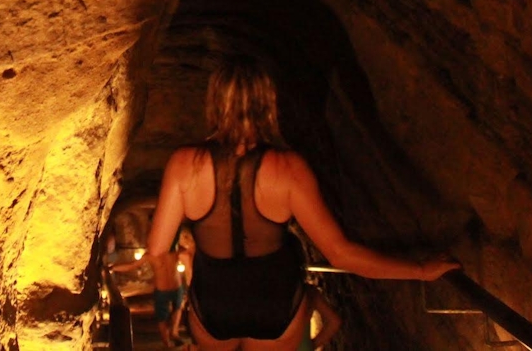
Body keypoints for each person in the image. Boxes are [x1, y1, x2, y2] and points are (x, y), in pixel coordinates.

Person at [146, 60, 459, 350]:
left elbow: (159, 251)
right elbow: (340, 253)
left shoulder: (184, 164)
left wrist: (165, 307)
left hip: (212, 305)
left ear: (214, 103)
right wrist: (420, 271)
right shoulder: (289, 168)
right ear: (267, 103)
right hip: (277, 301)